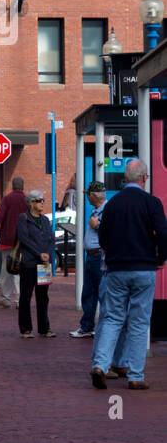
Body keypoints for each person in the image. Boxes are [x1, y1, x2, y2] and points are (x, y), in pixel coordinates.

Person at [90, 159, 167, 390]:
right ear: (145, 178)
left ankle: (100, 365)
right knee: (139, 322)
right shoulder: (152, 203)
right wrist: (160, 258)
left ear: (126, 177)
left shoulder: (113, 204)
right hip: (144, 268)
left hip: (116, 269)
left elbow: (103, 236)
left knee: (112, 318)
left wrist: (112, 252)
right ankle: (135, 375)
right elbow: (163, 233)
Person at [15, 190, 56, 338]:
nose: (42, 203)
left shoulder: (45, 219)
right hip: (29, 263)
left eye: (43, 200)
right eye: (39, 200)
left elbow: (51, 239)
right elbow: (24, 239)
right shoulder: (23, 218)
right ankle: (26, 329)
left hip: (44, 264)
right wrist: (39, 254)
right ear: (31, 202)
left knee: (43, 297)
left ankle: (44, 328)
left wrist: (47, 254)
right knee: (26, 296)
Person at [69, 181, 107, 339]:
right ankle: (87, 326)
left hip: (99, 255)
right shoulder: (96, 210)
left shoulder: (107, 210)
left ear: (94, 195)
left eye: (88, 194)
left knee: (101, 292)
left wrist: (97, 225)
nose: (87, 197)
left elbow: (110, 229)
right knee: (89, 292)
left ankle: (103, 327)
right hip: (92, 256)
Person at [0, 176, 28, 308]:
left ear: (12, 186)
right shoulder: (27, 200)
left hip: (7, 240)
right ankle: (20, 299)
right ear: (23, 186)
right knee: (20, 271)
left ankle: (6, 298)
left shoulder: (7, 199)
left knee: (6, 270)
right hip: (23, 242)